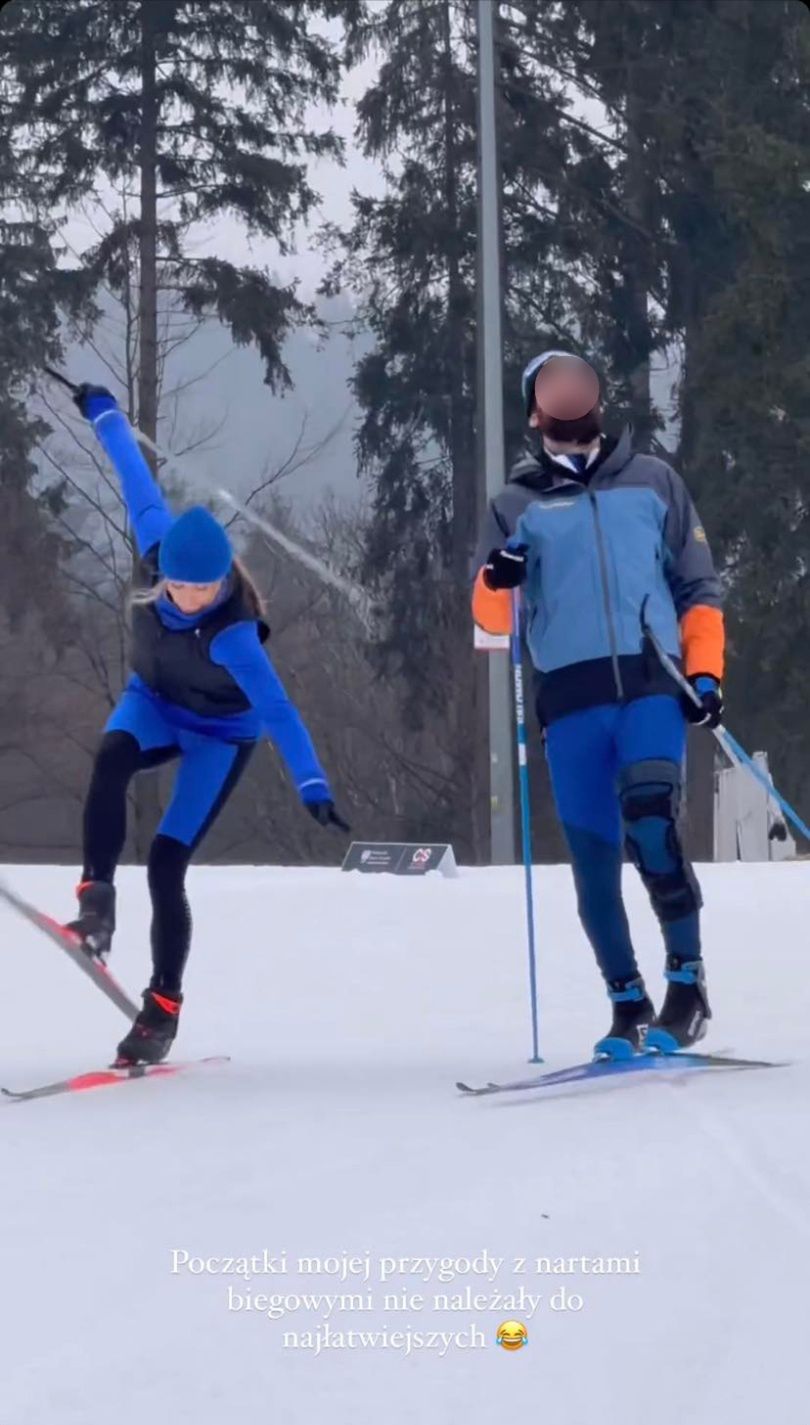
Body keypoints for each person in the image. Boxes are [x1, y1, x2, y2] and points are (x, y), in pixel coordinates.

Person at [67, 384, 348, 1067]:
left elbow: (278, 709)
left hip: (220, 736)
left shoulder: (234, 635)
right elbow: (134, 473)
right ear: (163, 572)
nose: (192, 599)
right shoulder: (157, 544)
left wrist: (311, 781)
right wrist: (103, 412)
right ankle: (96, 899)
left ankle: (161, 1008)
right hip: (154, 700)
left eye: (208, 589)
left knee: (167, 864)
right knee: (110, 757)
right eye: (182, 588)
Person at [472, 351, 725, 1058]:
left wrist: (704, 675)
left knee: (652, 823)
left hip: (650, 684)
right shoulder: (514, 503)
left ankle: (687, 985)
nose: (569, 390)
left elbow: (698, 587)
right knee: (592, 861)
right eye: (552, 383)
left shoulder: (653, 482)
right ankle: (628, 1002)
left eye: (580, 378)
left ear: (597, 397)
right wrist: (499, 577)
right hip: (570, 697)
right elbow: (490, 624)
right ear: (534, 410)